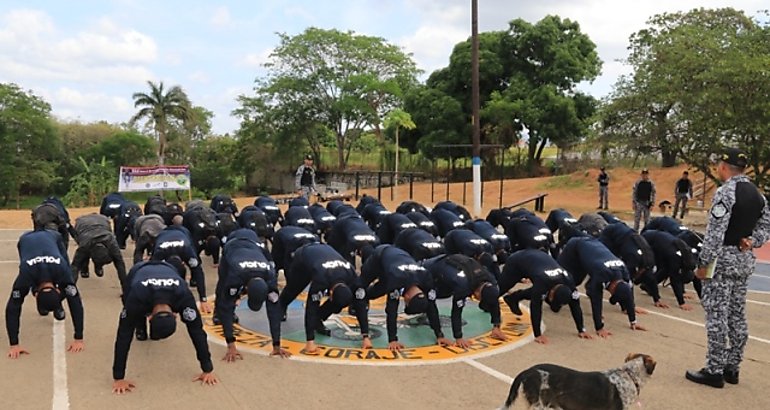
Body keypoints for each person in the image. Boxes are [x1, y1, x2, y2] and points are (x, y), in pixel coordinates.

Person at [686, 148, 770, 388]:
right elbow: (766, 227)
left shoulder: (726, 192)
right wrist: (753, 240)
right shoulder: (758, 195)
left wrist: (703, 265)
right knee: (737, 315)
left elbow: (714, 234)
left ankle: (714, 370)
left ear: (724, 167)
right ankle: (732, 367)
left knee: (716, 315)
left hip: (721, 262)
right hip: (743, 261)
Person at [111, 260, 218, 394]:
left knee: (133, 318)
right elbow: (124, 335)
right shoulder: (136, 297)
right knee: (132, 318)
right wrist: (118, 377)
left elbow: (197, 332)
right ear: (175, 315)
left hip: (169, 268)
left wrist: (207, 368)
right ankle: (140, 326)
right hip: (137, 272)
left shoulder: (183, 296)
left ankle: (141, 324)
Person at [277, 243, 369, 354]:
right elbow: (311, 307)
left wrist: (365, 336)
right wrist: (310, 341)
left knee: (338, 303)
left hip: (326, 250)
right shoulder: (321, 280)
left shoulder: (352, 277)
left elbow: (360, 304)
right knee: (295, 288)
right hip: (304, 255)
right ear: (330, 293)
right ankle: (281, 307)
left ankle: (318, 319)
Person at [6, 230, 85, 358]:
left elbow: (13, 307)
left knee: (69, 281)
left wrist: (14, 344)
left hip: (53, 238)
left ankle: (54, 305)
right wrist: (78, 339)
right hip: (26, 240)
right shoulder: (26, 274)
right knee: (70, 290)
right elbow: (76, 302)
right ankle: (51, 303)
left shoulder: (63, 271)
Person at [214, 234, 290, 361]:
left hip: (254, 243)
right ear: (246, 290)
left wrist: (277, 344)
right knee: (223, 290)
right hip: (232, 246)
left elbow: (274, 310)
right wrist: (231, 344)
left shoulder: (270, 276)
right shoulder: (235, 276)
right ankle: (216, 314)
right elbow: (226, 307)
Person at [360, 245, 447, 350]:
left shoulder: (426, 278)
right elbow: (391, 310)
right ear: (407, 296)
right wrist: (393, 340)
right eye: (406, 302)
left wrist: (439, 335)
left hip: (396, 262)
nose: (404, 301)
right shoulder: (397, 279)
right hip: (380, 256)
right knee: (360, 289)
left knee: (373, 293)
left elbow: (432, 306)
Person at [557, 236, 646, 337]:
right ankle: (549, 298)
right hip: (574, 247)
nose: (610, 293)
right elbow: (596, 301)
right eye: (612, 293)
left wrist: (633, 321)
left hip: (591, 249)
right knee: (564, 279)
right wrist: (599, 327)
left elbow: (628, 296)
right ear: (613, 288)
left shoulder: (624, 271)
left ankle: (590, 287)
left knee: (582, 280)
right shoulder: (602, 274)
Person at [499, 248, 591, 344]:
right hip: (518, 260)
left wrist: (582, 330)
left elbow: (576, 305)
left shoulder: (570, 282)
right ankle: (486, 304)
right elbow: (535, 307)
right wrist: (538, 335)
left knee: (540, 294)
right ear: (551, 293)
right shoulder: (542, 281)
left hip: (539, 262)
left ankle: (513, 298)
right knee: (501, 289)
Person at [422, 254, 507, 347]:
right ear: (478, 294)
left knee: (446, 292)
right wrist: (458, 337)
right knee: (428, 299)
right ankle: (436, 331)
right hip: (430, 268)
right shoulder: (463, 286)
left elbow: (494, 301)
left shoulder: (490, 279)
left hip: (449, 267)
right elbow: (456, 311)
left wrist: (496, 326)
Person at [150, 227, 211, 315]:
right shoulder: (158, 254)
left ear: (183, 263)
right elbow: (152, 277)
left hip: (183, 232)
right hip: (162, 234)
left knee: (195, 265)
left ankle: (187, 282)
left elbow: (198, 272)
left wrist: (203, 299)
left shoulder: (187, 251)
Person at [71, 213, 128, 287]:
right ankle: (84, 269)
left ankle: (97, 266)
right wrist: (70, 288)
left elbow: (120, 262)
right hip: (83, 225)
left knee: (81, 257)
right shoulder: (84, 245)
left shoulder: (111, 243)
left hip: (102, 222)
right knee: (82, 257)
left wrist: (125, 289)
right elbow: (75, 266)